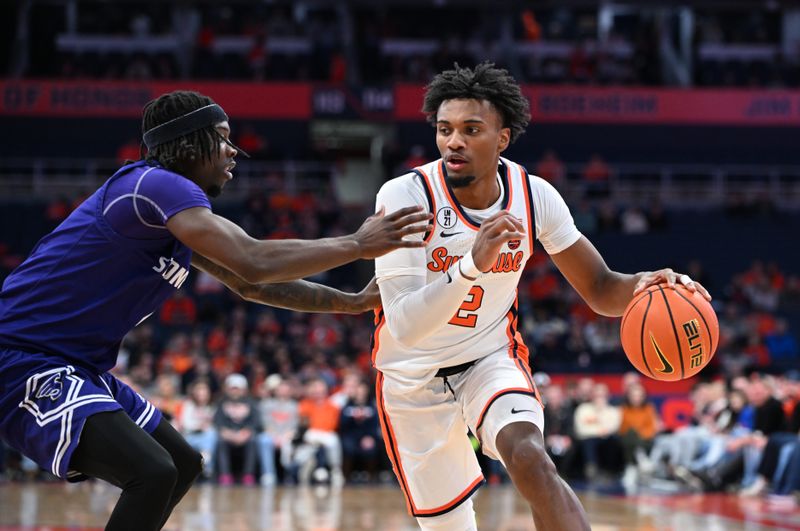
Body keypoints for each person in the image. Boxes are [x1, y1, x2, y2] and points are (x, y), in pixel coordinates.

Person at [0, 90, 431, 531]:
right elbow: (253, 259)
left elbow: (249, 283)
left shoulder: (169, 212)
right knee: (152, 472)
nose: (234, 150)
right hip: (23, 357)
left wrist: (351, 302)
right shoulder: (155, 185)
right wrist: (356, 244)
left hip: (76, 364)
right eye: (223, 138)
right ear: (189, 143)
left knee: (180, 463)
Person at [372, 62, 711, 531]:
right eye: (444, 129)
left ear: (502, 138)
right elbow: (405, 326)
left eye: (471, 130)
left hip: (488, 357)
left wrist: (644, 284)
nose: (454, 142)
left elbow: (600, 288)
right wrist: (472, 264)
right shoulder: (406, 196)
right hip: (412, 377)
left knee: (530, 456)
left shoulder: (534, 197)